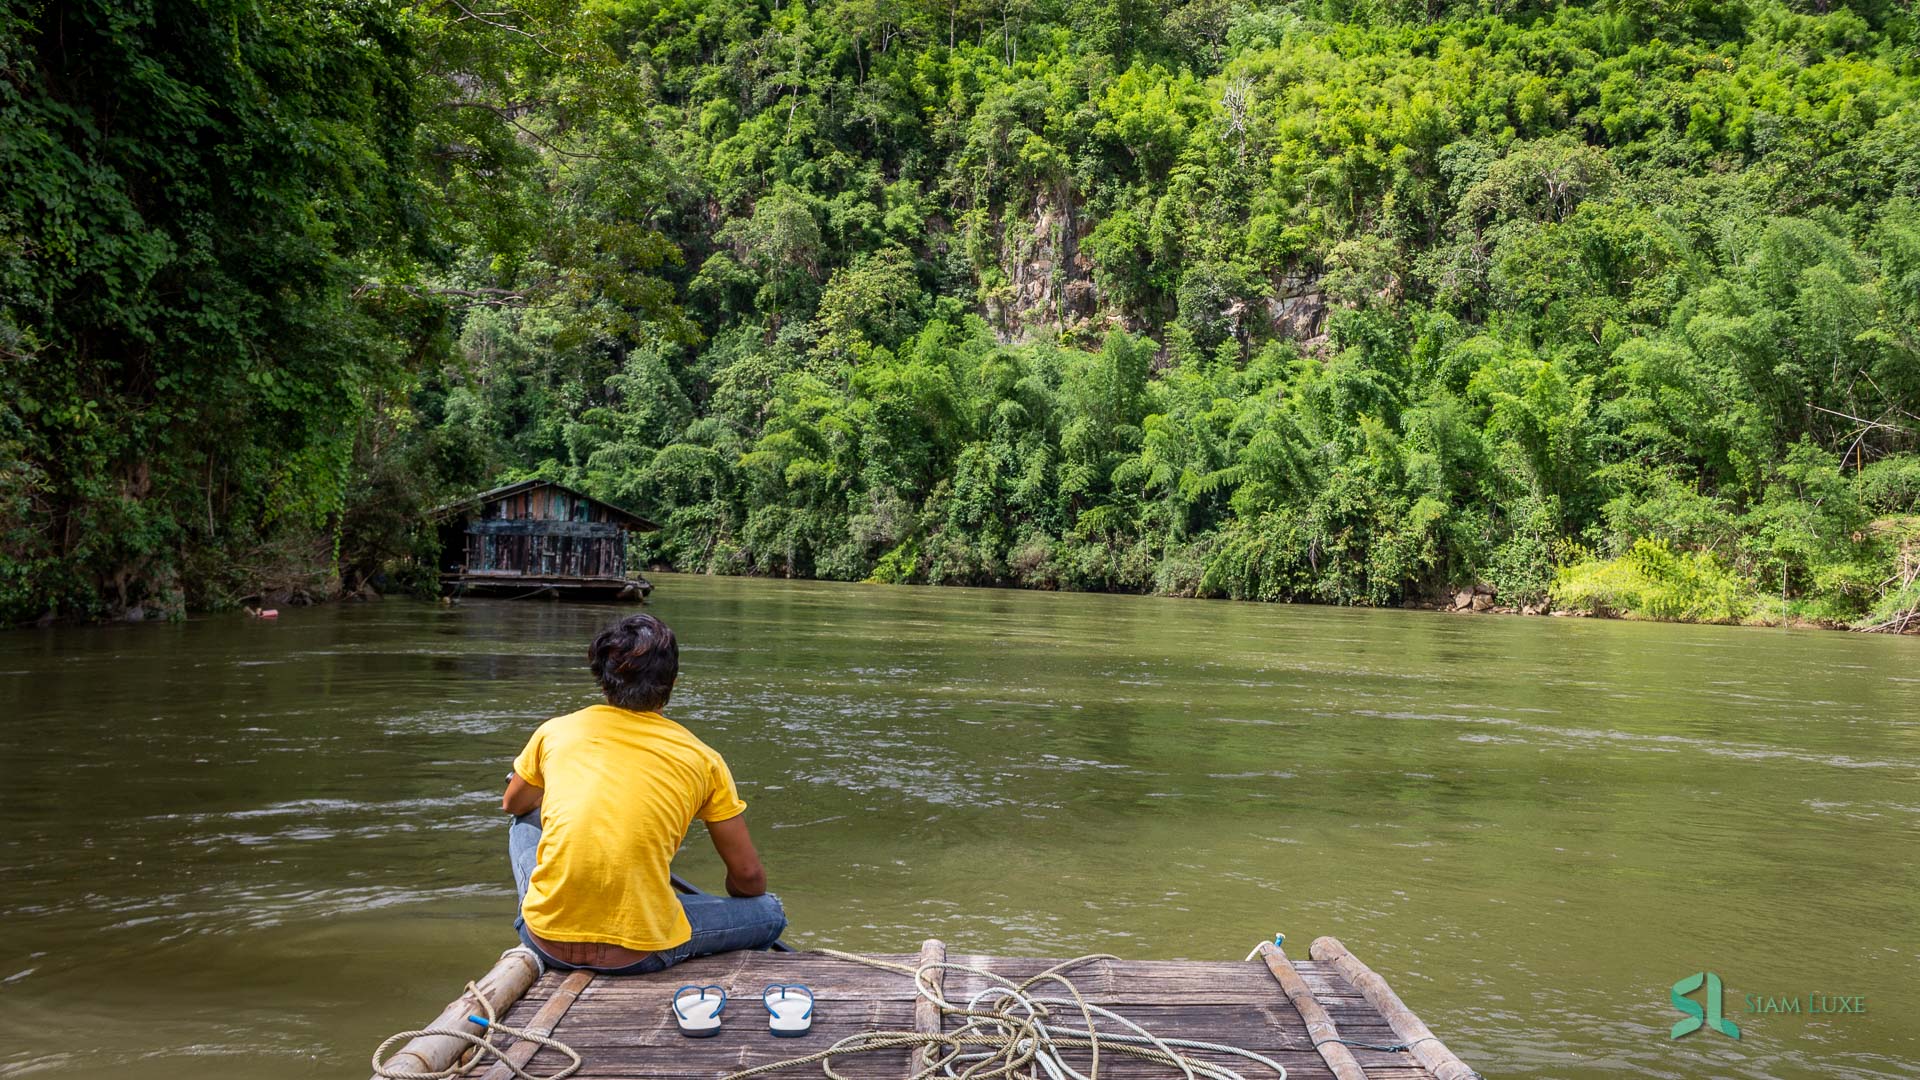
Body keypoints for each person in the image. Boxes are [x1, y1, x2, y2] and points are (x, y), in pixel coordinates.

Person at [502, 612, 786, 973]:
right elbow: (749, 878)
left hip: (545, 939)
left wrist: (546, 795)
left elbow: (512, 803)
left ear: (602, 681)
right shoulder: (703, 759)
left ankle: (544, 907)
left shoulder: (554, 732)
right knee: (769, 911)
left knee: (524, 817)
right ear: (672, 682)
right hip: (638, 954)